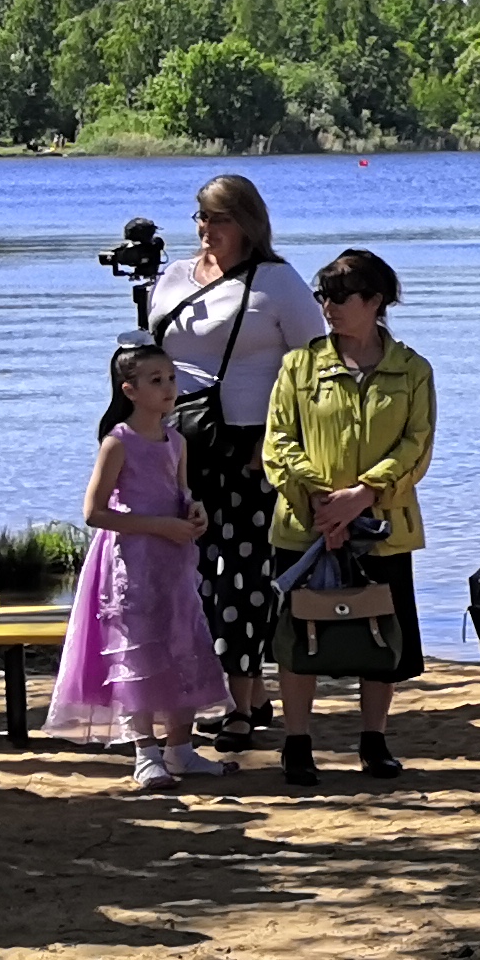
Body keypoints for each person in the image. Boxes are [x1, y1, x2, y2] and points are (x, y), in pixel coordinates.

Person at [151, 175, 327, 740]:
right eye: (202, 217)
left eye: (219, 218)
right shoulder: (175, 276)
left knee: (245, 577)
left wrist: (272, 444)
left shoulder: (277, 283)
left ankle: (240, 704)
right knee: (191, 572)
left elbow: (315, 370)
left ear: (248, 223)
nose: (207, 229)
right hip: (180, 445)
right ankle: (230, 692)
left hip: (251, 449)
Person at [266, 246, 435, 783]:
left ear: (376, 300)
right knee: (298, 635)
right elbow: (278, 443)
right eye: (324, 296)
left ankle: (374, 741)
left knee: (381, 635)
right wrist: (323, 502)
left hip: (382, 529)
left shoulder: (412, 370)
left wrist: (364, 495)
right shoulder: (299, 366)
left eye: (341, 297)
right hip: (305, 527)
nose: (328, 307)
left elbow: (416, 446)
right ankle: (297, 744)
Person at [52, 341, 231, 790]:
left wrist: (194, 512)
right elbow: (94, 512)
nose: (168, 388)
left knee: (182, 643)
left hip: (174, 562)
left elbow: (182, 492)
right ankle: (145, 752)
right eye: (156, 381)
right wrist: (158, 526)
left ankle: (181, 748)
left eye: (171, 379)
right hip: (131, 564)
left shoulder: (177, 441)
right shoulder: (119, 442)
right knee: (138, 651)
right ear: (129, 389)